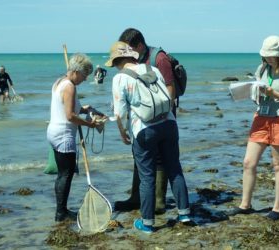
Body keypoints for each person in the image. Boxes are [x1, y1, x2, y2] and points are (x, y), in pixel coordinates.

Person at [105, 41, 191, 233]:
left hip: (144, 129)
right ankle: (185, 214)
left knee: (147, 177)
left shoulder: (119, 78)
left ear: (118, 61)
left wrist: (123, 133)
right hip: (169, 123)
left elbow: (120, 113)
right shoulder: (150, 68)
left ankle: (147, 223)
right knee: (174, 169)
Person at [228, 36, 279, 221]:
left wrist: (274, 93)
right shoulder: (262, 68)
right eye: (266, 55)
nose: (268, 59)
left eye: (271, 56)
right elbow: (259, 92)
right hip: (261, 117)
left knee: (278, 164)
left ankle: (277, 208)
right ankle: (245, 205)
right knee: (248, 163)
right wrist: (254, 93)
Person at [114, 28, 177, 214]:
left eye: (130, 49)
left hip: (161, 119)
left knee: (159, 160)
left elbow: (170, 89)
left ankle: (158, 201)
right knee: (140, 159)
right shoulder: (139, 60)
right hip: (142, 121)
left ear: (139, 46)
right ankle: (136, 198)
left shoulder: (159, 59)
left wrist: (161, 117)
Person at [47, 53, 103, 222]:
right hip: (64, 134)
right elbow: (70, 116)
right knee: (66, 174)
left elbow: (70, 107)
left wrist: (86, 109)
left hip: (53, 132)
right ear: (77, 72)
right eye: (85, 75)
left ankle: (61, 209)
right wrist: (90, 124)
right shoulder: (70, 86)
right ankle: (61, 213)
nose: (85, 79)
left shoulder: (59, 82)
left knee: (62, 174)